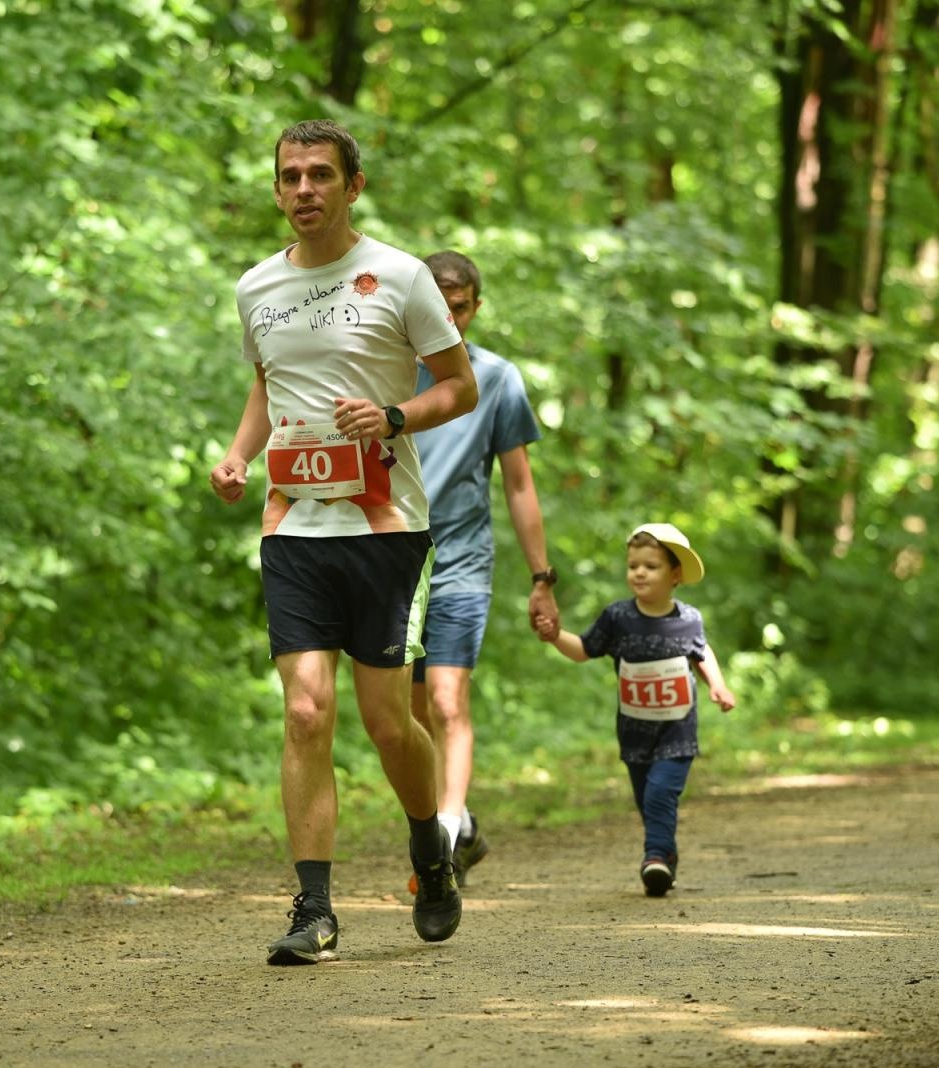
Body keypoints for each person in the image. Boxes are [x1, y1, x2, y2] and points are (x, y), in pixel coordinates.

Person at [208, 119, 478, 965]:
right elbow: (266, 385)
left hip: (385, 526)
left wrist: (394, 415)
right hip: (293, 526)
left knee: (387, 722)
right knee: (304, 711)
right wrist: (239, 453)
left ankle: (430, 851)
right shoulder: (256, 287)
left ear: (352, 185)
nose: (303, 190)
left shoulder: (399, 276)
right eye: (290, 176)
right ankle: (314, 909)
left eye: (321, 175)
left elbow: (460, 387)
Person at [407, 250, 558, 888]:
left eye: (460, 306)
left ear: (476, 307)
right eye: (438, 304)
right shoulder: (386, 370)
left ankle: (441, 838)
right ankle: (457, 822)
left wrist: (542, 576)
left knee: (447, 699)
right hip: (394, 559)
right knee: (407, 715)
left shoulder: (496, 379)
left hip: (463, 559)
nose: (449, 316)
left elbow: (519, 486)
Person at [535, 523, 735, 896]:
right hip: (634, 732)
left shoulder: (688, 619)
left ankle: (654, 857)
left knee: (661, 792)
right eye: (633, 565)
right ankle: (665, 855)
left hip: (678, 732)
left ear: (675, 575)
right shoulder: (618, 618)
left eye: (651, 566)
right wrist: (553, 636)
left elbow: (702, 652)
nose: (639, 572)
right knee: (647, 799)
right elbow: (584, 649)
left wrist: (718, 686)